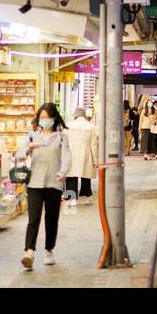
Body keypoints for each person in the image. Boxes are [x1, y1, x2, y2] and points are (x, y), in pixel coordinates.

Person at [18, 103, 72, 270]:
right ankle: (29, 252)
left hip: (54, 183)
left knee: (51, 219)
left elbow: (67, 157)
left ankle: (49, 250)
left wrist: (62, 173)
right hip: (35, 183)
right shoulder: (33, 136)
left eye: (47, 118)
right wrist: (28, 149)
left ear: (54, 119)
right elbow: (18, 155)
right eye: (42, 118)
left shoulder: (61, 137)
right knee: (33, 219)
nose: (44, 121)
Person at [65, 107, 98, 204]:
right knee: (86, 176)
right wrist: (95, 161)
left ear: (75, 116)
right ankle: (88, 197)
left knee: (71, 176)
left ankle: (72, 199)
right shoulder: (91, 126)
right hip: (86, 153)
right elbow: (94, 145)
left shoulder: (68, 125)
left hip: (71, 153)